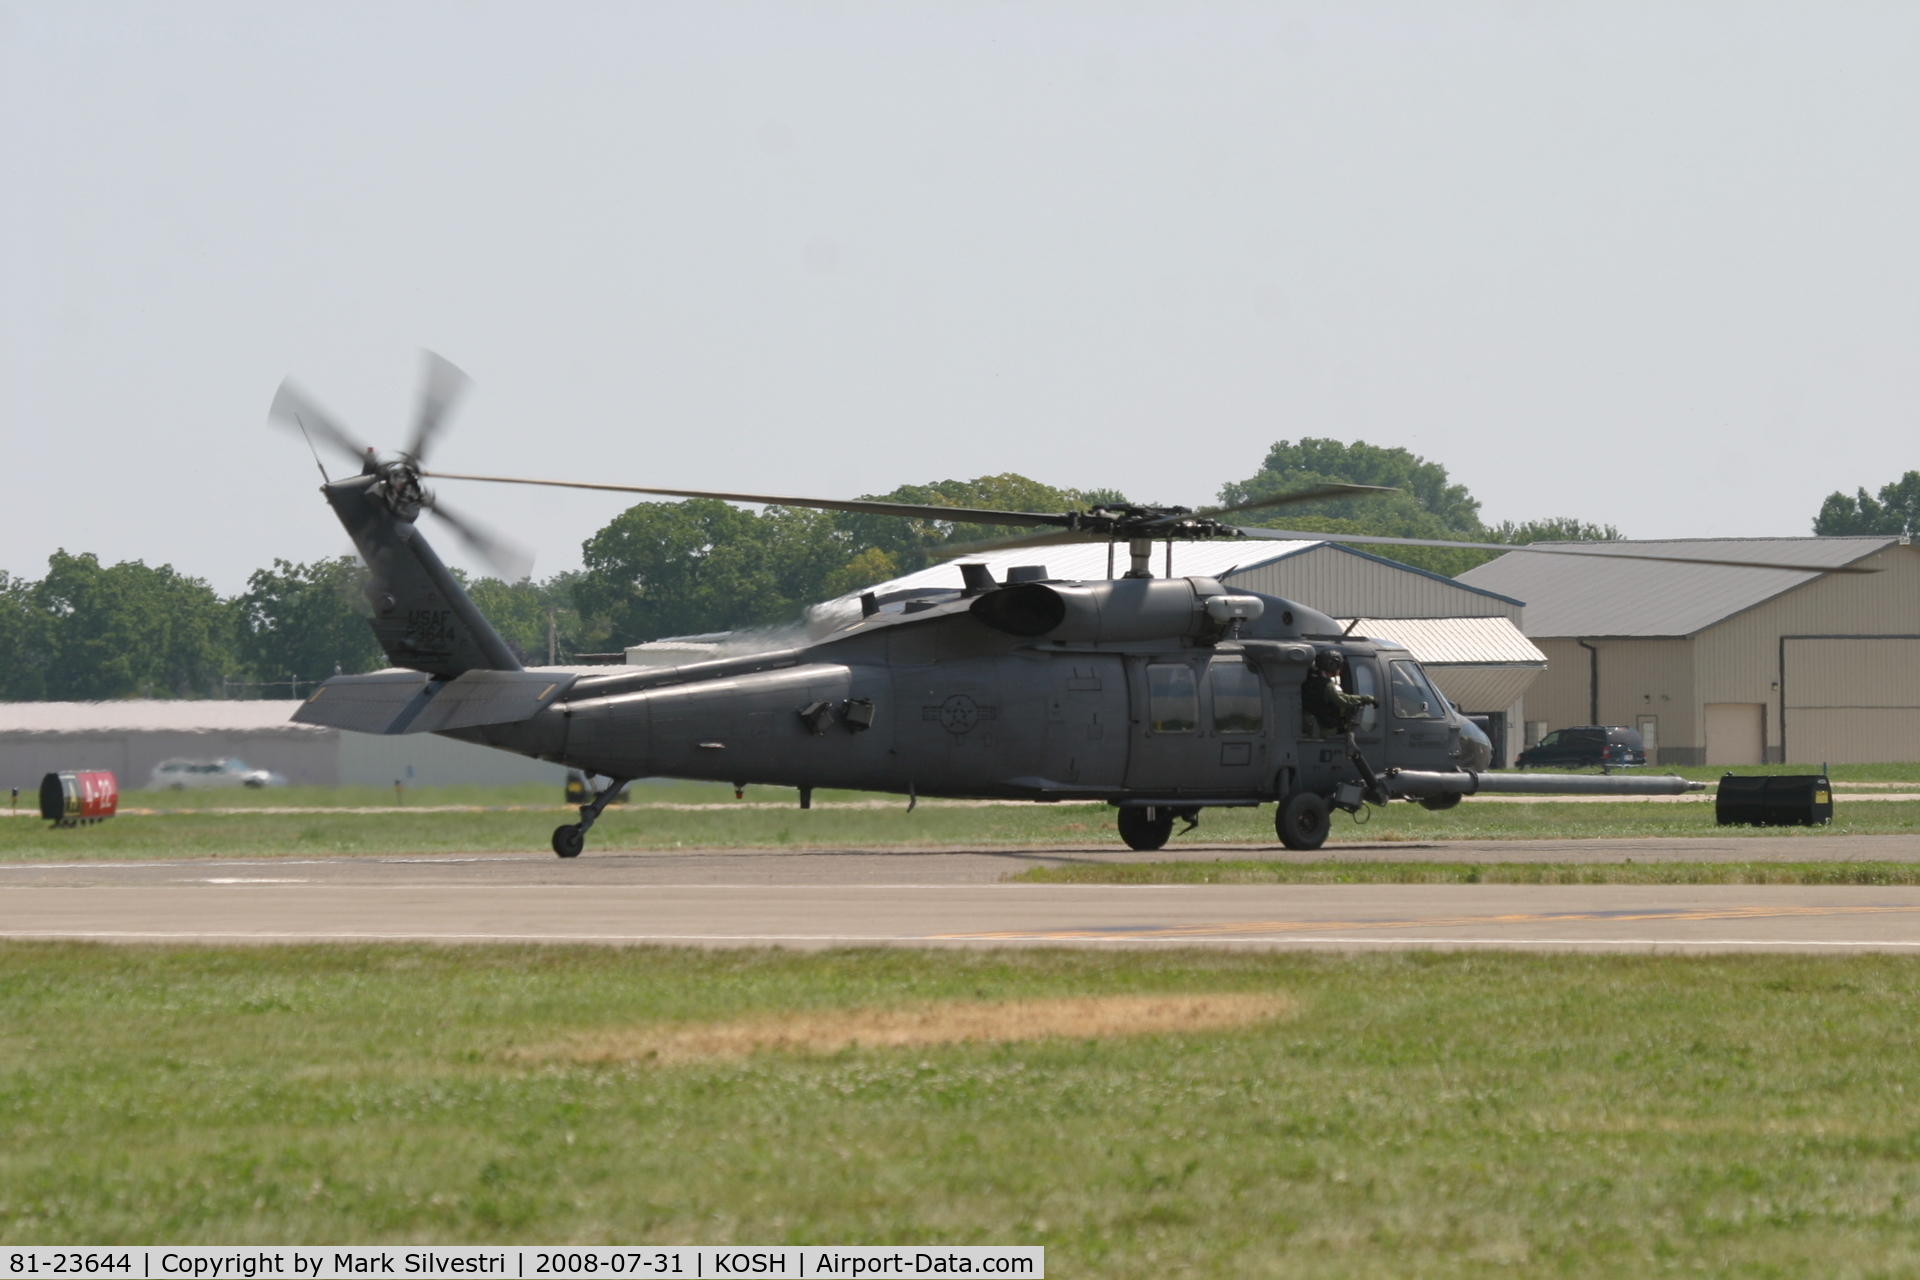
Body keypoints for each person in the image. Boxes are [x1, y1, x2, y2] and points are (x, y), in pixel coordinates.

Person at [1301, 649, 1377, 737]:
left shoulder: (1311, 678)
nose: (1340, 670)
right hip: (1323, 729)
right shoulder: (1328, 686)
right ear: (1332, 666)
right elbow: (1344, 700)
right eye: (1339, 666)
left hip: (1312, 724)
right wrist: (1367, 699)